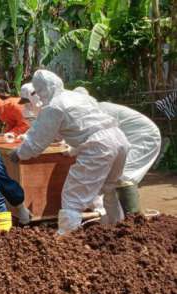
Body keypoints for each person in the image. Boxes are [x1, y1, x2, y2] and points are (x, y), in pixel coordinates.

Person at [9, 70, 130, 234]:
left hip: (99, 145)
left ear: (42, 89)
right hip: (119, 139)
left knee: (72, 200)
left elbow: (38, 140)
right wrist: (73, 150)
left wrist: (19, 153)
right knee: (108, 188)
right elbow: (84, 126)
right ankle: (118, 230)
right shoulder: (78, 96)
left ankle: (67, 241)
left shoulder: (54, 106)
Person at [73, 87, 162, 215]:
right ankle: (122, 217)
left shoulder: (99, 111)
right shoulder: (95, 111)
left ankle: (133, 219)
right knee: (113, 174)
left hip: (143, 138)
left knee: (124, 175)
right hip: (130, 138)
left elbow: (96, 138)